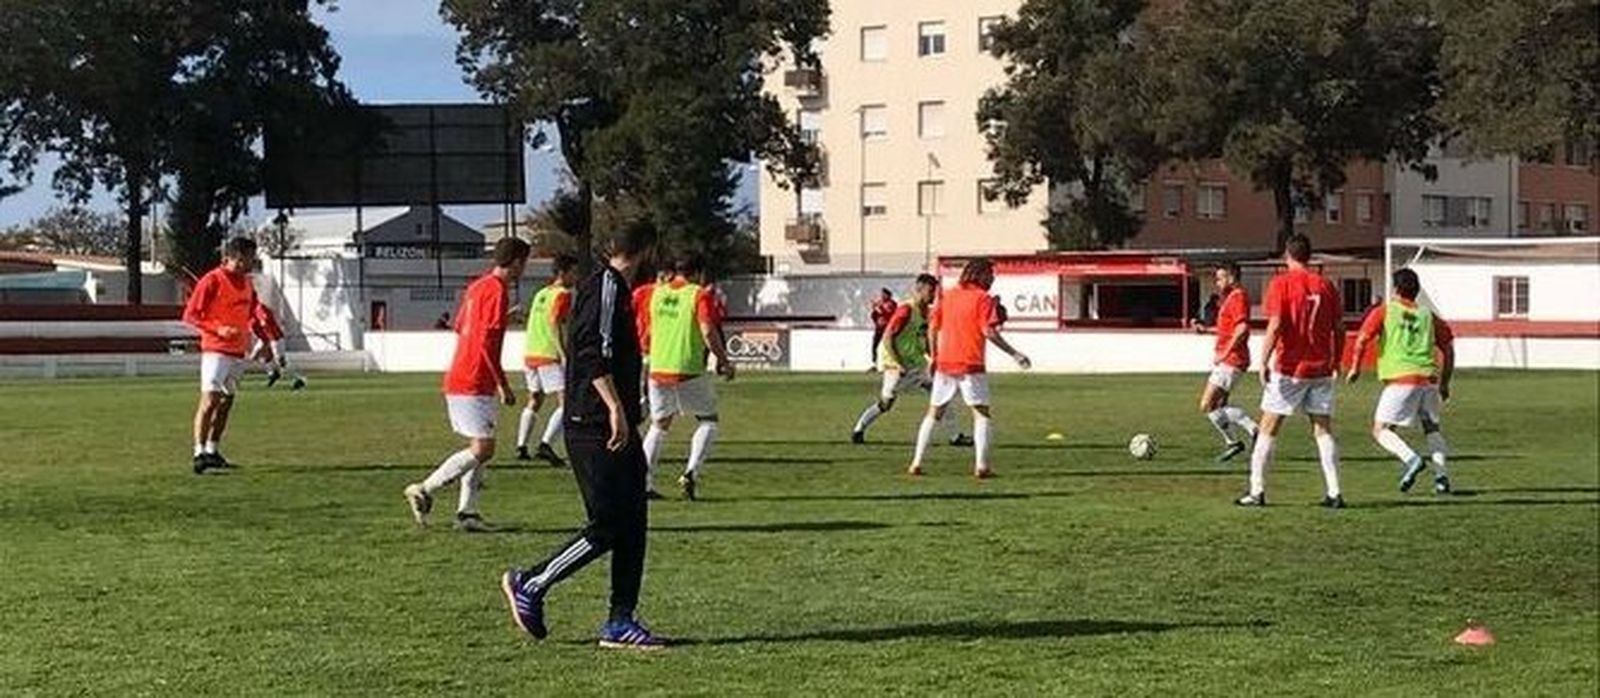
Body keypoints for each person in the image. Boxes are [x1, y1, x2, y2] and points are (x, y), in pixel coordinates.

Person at [500, 221, 664, 650]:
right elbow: (591, 352)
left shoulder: (615, 289)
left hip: (613, 424)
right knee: (608, 524)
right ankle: (532, 583)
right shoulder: (606, 286)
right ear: (646, 250)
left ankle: (620, 620)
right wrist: (614, 408)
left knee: (633, 523)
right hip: (593, 424)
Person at [403, 238, 530, 532]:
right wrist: (502, 383)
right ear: (516, 262)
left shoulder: (477, 286)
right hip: (473, 378)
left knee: (481, 444)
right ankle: (424, 488)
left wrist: (503, 319)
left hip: (465, 373)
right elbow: (486, 342)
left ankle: (467, 514)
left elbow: (462, 326)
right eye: (524, 262)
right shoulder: (497, 291)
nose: (524, 269)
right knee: (484, 449)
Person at [1238, 234, 1345, 508]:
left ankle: (1257, 491)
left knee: (1268, 427)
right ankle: (1334, 492)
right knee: (1323, 429)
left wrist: (1263, 360)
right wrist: (1336, 360)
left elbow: (1275, 326)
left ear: (1287, 255)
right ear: (1309, 255)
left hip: (1290, 369)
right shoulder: (1326, 285)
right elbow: (1339, 328)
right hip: (1321, 368)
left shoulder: (1281, 284)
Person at [908, 259, 1031, 479]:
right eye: (990, 274)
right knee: (981, 413)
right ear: (980, 274)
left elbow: (933, 327)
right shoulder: (982, 298)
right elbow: (988, 332)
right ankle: (981, 466)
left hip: (946, 363)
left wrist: (934, 357)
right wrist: (1014, 353)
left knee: (934, 413)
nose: (992, 278)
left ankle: (916, 463)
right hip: (971, 363)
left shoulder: (948, 295)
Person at [1347, 268, 1456, 494]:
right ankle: (1442, 478)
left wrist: (1355, 367)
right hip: (1428, 380)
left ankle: (1411, 459)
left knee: (1380, 430)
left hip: (1401, 380)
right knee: (1432, 428)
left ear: (1395, 289)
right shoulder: (1428, 315)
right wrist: (1445, 382)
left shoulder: (1385, 311)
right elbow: (1448, 348)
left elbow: (1362, 339)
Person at [640, 256, 734, 500]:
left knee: (659, 425)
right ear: (698, 273)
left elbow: (648, 330)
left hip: (658, 368)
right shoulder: (698, 294)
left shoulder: (657, 293)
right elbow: (707, 330)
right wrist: (723, 360)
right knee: (708, 420)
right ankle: (691, 472)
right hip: (688, 368)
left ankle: (643, 482)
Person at [851, 274, 970, 446]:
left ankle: (956, 436)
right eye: (930, 291)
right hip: (897, 365)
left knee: (941, 394)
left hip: (916, 362)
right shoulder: (906, 310)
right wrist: (898, 364)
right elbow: (887, 338)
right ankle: (859, 429)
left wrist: (935, 357)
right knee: (886, 403)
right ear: (919, 290)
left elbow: (923, 338)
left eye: (935, 291)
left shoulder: (926, 312)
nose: (933, 295)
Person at [182, 237, 261, 474]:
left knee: (227, 402)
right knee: (210, 400)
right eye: (245, 259)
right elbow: (191, 315)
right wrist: (219, 329)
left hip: (238, 351)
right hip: (216, 349)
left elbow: (253, 314)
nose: (249, 263)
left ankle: (212, 450)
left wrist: (264, 340)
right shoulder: (212, 280)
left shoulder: (247, 283)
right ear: (231, 258)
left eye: (251, 258)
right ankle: (198, 453)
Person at [516, 254, 579, 467]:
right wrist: (563, 353)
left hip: (531, 352)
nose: (575, 277)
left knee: (535, 399)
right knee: (566, 401)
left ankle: (521, 446)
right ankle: (546, 444)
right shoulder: (563, 294)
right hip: (548, 354)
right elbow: (555, 323)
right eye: (573, 272)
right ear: (562, 273)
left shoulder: (542, 293)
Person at [1199, 263, 1258, 462]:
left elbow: (1242, 329)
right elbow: (1229, 329)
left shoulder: (1238, 297)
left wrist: (1225, 352)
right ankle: (1233, 443)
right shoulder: (1231, 298)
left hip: (1232, 361)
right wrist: (1206, 330)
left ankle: (1254, 430)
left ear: (1231, 277)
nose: (1217, 283)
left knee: (1207, 404)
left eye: (1220, 278)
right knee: (1218, 405)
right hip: (1231, 360)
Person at [249, 302, 306, 391]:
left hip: (275, 337)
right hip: (266, 338)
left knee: (281, 361)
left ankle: (298, 379)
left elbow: (266, 320)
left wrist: (263, 322)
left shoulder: (259, 308)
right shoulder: (250, 313)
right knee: (258, 355)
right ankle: (272, 373)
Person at [869, 288, 897, 369]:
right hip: (879, 329)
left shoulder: (891, 304)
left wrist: (878, 308)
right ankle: (874, 364)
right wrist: (874, 310)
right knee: (875, 346)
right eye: (881, 294)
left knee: (889, 346)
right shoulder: (880, 303)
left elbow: (888, 314)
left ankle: (893, 363)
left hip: (887, 329)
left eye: (883, 294)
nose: (881, 296)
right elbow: (874, 316)